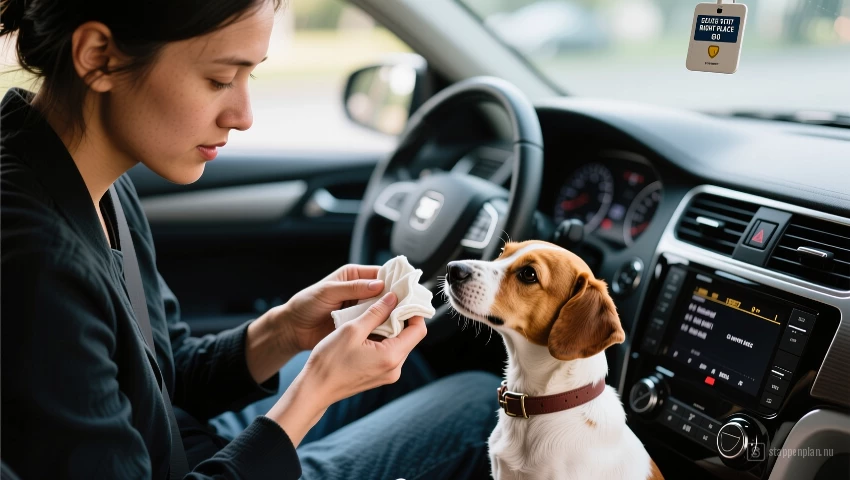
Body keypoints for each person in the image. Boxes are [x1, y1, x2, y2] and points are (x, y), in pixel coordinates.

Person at [0, 0, 501, 479]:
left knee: (398, 377)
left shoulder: (94, 181)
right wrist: (314, 393)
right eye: (219, 79)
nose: (242, 115)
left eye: (249, 76)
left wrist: (284, 331)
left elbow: (161, 377)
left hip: (176, 442)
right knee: (477, 403)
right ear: (99, 58)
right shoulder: (35, 262)